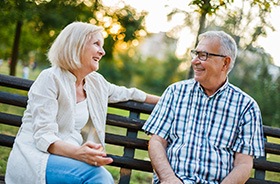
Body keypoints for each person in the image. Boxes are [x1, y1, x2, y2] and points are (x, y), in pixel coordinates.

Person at [5, 21, 159, 184]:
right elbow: (44, 136)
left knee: (98, 175)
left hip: (70, 160)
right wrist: (79, 152)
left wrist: (169, 99)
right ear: (76, 45)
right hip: (37, 159)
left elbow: (130, 93)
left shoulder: (95, 82)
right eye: (96, 44)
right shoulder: (50, 78)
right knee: (99, 176)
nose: (102, 51)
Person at [142, 31, 264, 184]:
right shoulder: (175, 92)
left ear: (225, 63)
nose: (194, 61)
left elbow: (244, 164)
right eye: (195, 54)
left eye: (203, 55)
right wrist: (168, 178)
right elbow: (156, 142)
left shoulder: (246, 107)